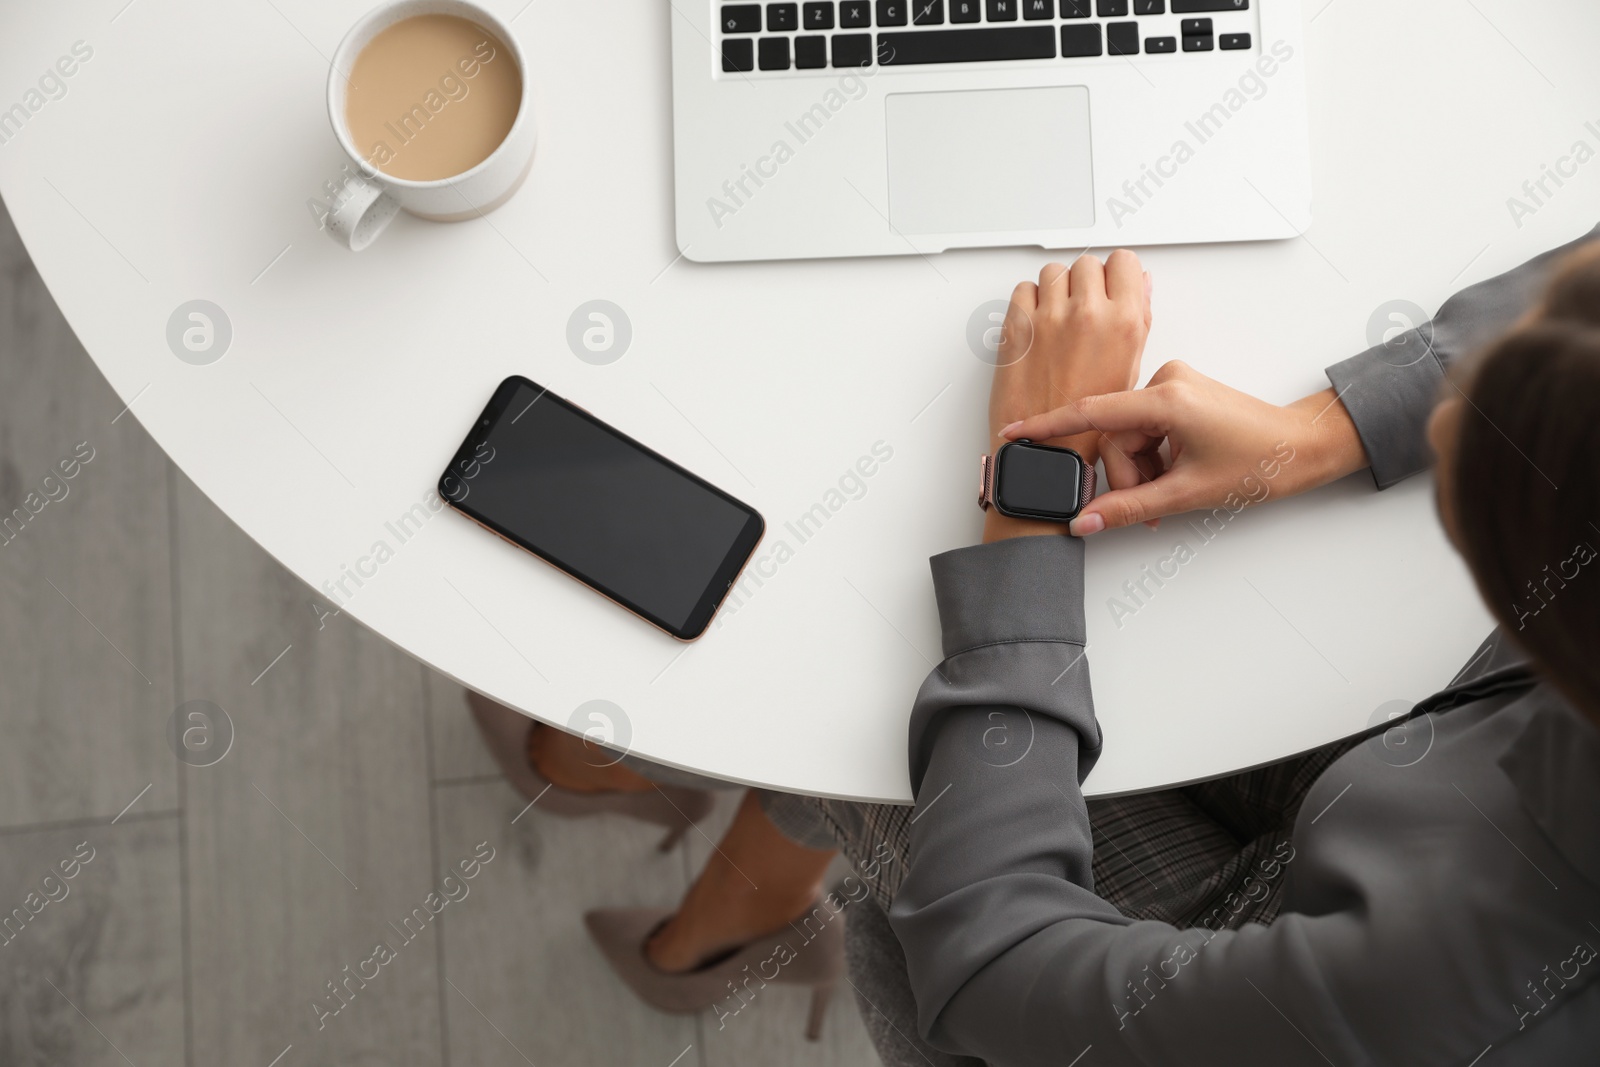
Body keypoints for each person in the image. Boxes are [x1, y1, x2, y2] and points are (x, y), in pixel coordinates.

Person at [494, 224, 1600, 1063]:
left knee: (865, 699)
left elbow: (999, 962)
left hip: (1152, 976)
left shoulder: (1479, 985)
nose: (1459, 411)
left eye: (1490, 455)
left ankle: (696, 894)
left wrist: (1024, 503)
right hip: (1422, 768)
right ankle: (711, 866)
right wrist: (1324, 430)